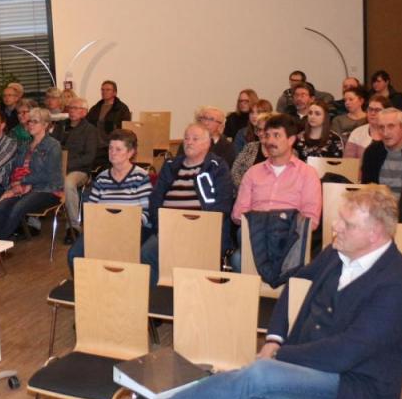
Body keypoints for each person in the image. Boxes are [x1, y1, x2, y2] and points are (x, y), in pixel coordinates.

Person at [84, 184, 402, 399]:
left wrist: (279, 356)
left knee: (260, 373)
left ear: (376, 234)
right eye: (339, 219)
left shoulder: (397, 286)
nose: (336, 227)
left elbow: (344, 355)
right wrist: (275, 338)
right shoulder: (339, 252)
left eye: (347, 224)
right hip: (300, 380)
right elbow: (295, 282)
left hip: (353, 395)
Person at [141, 123, 235, 286]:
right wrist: (161, 226)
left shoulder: (217, 167)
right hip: (169, 228)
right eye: (186, 138)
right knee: (147, 252)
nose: (189, 142)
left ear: (207, 143)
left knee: (195, 254)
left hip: (202, 230)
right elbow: (155, 199)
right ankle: (157, 297)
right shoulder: (171, 165)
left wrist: (198, 227)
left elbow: (223, 204)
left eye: (195, 139)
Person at [66, 129, 152, 273]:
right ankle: (88, 284)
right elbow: (91, 210)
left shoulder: (140, 177)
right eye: (110, 148)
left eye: (118, 149)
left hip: (131, 229)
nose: (112, 153)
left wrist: (126, 225)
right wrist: (101, 226)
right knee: (74, 255)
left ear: (130, 153)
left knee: (121, 256)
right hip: (103, 228)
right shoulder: (102, 178)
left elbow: (147, 212)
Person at [232, 114, 321, 231]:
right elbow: (238, 214)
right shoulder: (252, 173)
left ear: (291, 140)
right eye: (267, 135)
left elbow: (311, 219)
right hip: (256, 233)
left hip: (291, 234)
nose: (270, 141)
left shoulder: (308, 174)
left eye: (276, 135)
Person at [0, 107, 62, 240]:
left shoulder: (53, 145)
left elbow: (49, 175)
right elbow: (15, 168)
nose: (30, 124)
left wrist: (23, 181)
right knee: (2, 205)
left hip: (47, 190)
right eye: (29, 121)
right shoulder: (25, 145)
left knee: (18, 207)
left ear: (45, 125)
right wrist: (14, 186)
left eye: (35, 121)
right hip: (24, 188)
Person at [60, 97, 100, 242]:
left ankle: (73, 227)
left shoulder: (90, 130)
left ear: (84, 112)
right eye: (70, 108)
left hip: (80, 170)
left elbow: (89, 157)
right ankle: (33, 223)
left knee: (68, 183)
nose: (72, 111)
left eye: (76, 108)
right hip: (57, 167)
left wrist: (66, 165)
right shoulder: (61, 126)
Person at [230, 113, 271, 188]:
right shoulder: (250, 147)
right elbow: (235, 172)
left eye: (265, 130)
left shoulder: (284, 151)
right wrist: (246, 188)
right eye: (259, 130)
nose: (261, 133)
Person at [86, 80, 131, 144]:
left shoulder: (122, 109)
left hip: (112, 143)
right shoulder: (95, 108)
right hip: (95, 143)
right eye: (102, 90)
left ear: (115, 93)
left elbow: (124, 128)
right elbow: (87, 123)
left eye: (108, 90)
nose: (104, 92)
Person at [344, 95, 388, 159]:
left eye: (377, 110)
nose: (372, 113)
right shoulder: (357, 133)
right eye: (370, 109)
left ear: (387, 112)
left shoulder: (394, 133)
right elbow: (348, 161)